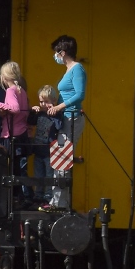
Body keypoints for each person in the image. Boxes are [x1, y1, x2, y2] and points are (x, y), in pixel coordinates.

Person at [43, 35, 85, 209]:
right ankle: (60, 201)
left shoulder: (77, 69)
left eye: (56, 53)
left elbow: (80, 94)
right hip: (65, 118)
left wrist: (59, 107)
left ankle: (59, 203)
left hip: (72, 118)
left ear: (63, 52)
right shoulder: (69, 70)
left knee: (62, 159)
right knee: (60, 158)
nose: (55, 56)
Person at [0, 62, 30, 199]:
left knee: (10, 168)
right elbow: (23, 111)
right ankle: (20, 196)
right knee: (18, 168)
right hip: (21, 132)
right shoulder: (21, 90)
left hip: (11, 134)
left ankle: (11, 197)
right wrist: (5, 112)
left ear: (4, 77)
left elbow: (15, 108)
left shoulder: (11, 91)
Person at [31, 85, 61, 204]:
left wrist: (54, 113)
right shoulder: (40, 114)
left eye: (46, 102)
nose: (43, 104)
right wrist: (33, 111)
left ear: (53, 102)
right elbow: (31, 122)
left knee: (49, 174)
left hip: (49, 151)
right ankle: (38, 195)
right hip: (38, 149)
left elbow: (59, 126)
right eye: (41, 101)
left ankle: (48, 196)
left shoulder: (56, 115)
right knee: (38, 174)